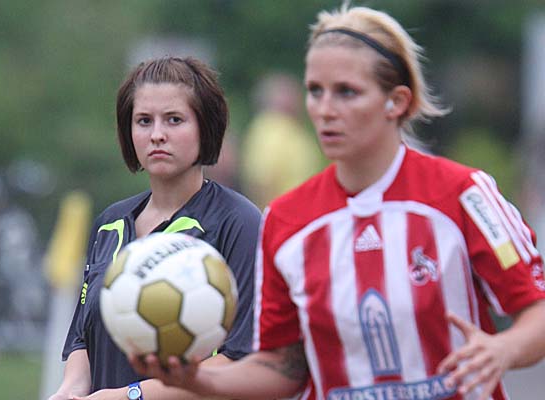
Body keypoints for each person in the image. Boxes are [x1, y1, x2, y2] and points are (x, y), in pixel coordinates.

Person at [129, 3, 545, 400]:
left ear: (397, 101)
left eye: (346, 92)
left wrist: (503, 349)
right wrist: (199, 380)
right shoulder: (286, 220)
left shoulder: (463, 195)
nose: (325, 109)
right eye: (315, 91)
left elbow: (536, 311)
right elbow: (283, 366)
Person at [48, 56, 261, 400]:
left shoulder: (239, 222)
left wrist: (130, 396)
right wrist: (69, 391)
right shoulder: (110, 224)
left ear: (205, 126)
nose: (157, 135)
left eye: (174, 120)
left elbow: (240, 362)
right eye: (144, 121)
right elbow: (82, 339)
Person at [241, 72, 324, 209]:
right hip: (284, 214)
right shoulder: (270, 127)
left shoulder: (294, 129)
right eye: (288, 93)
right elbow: (260, 180)